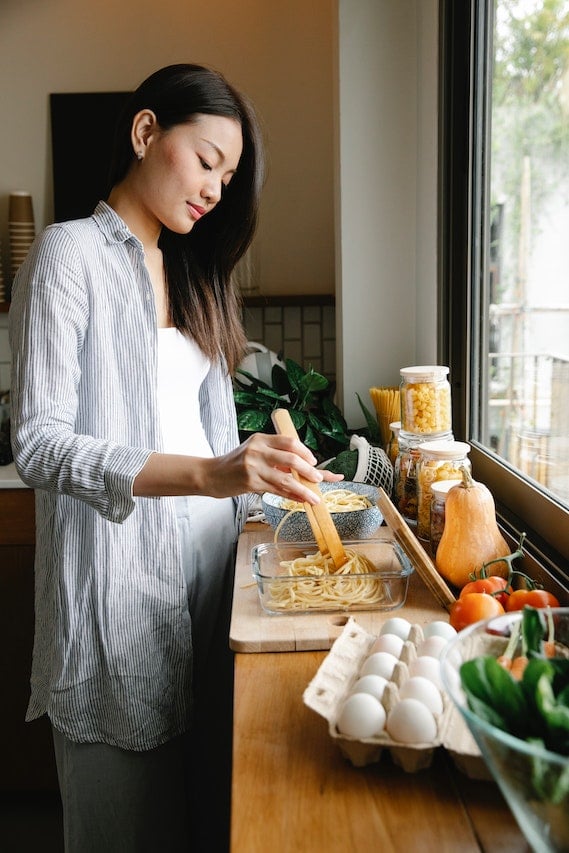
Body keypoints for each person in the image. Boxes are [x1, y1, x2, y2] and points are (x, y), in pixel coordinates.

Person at [9, 63, 341, 852]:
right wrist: (213, 472)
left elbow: (213, 442)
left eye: (228, 177)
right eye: (206, 162)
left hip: (208, 594)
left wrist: (278, 484)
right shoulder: (69, 255)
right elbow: (39, 443)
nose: (215, 190)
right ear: (146, 132)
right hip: (115, 607)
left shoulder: (194, 272)